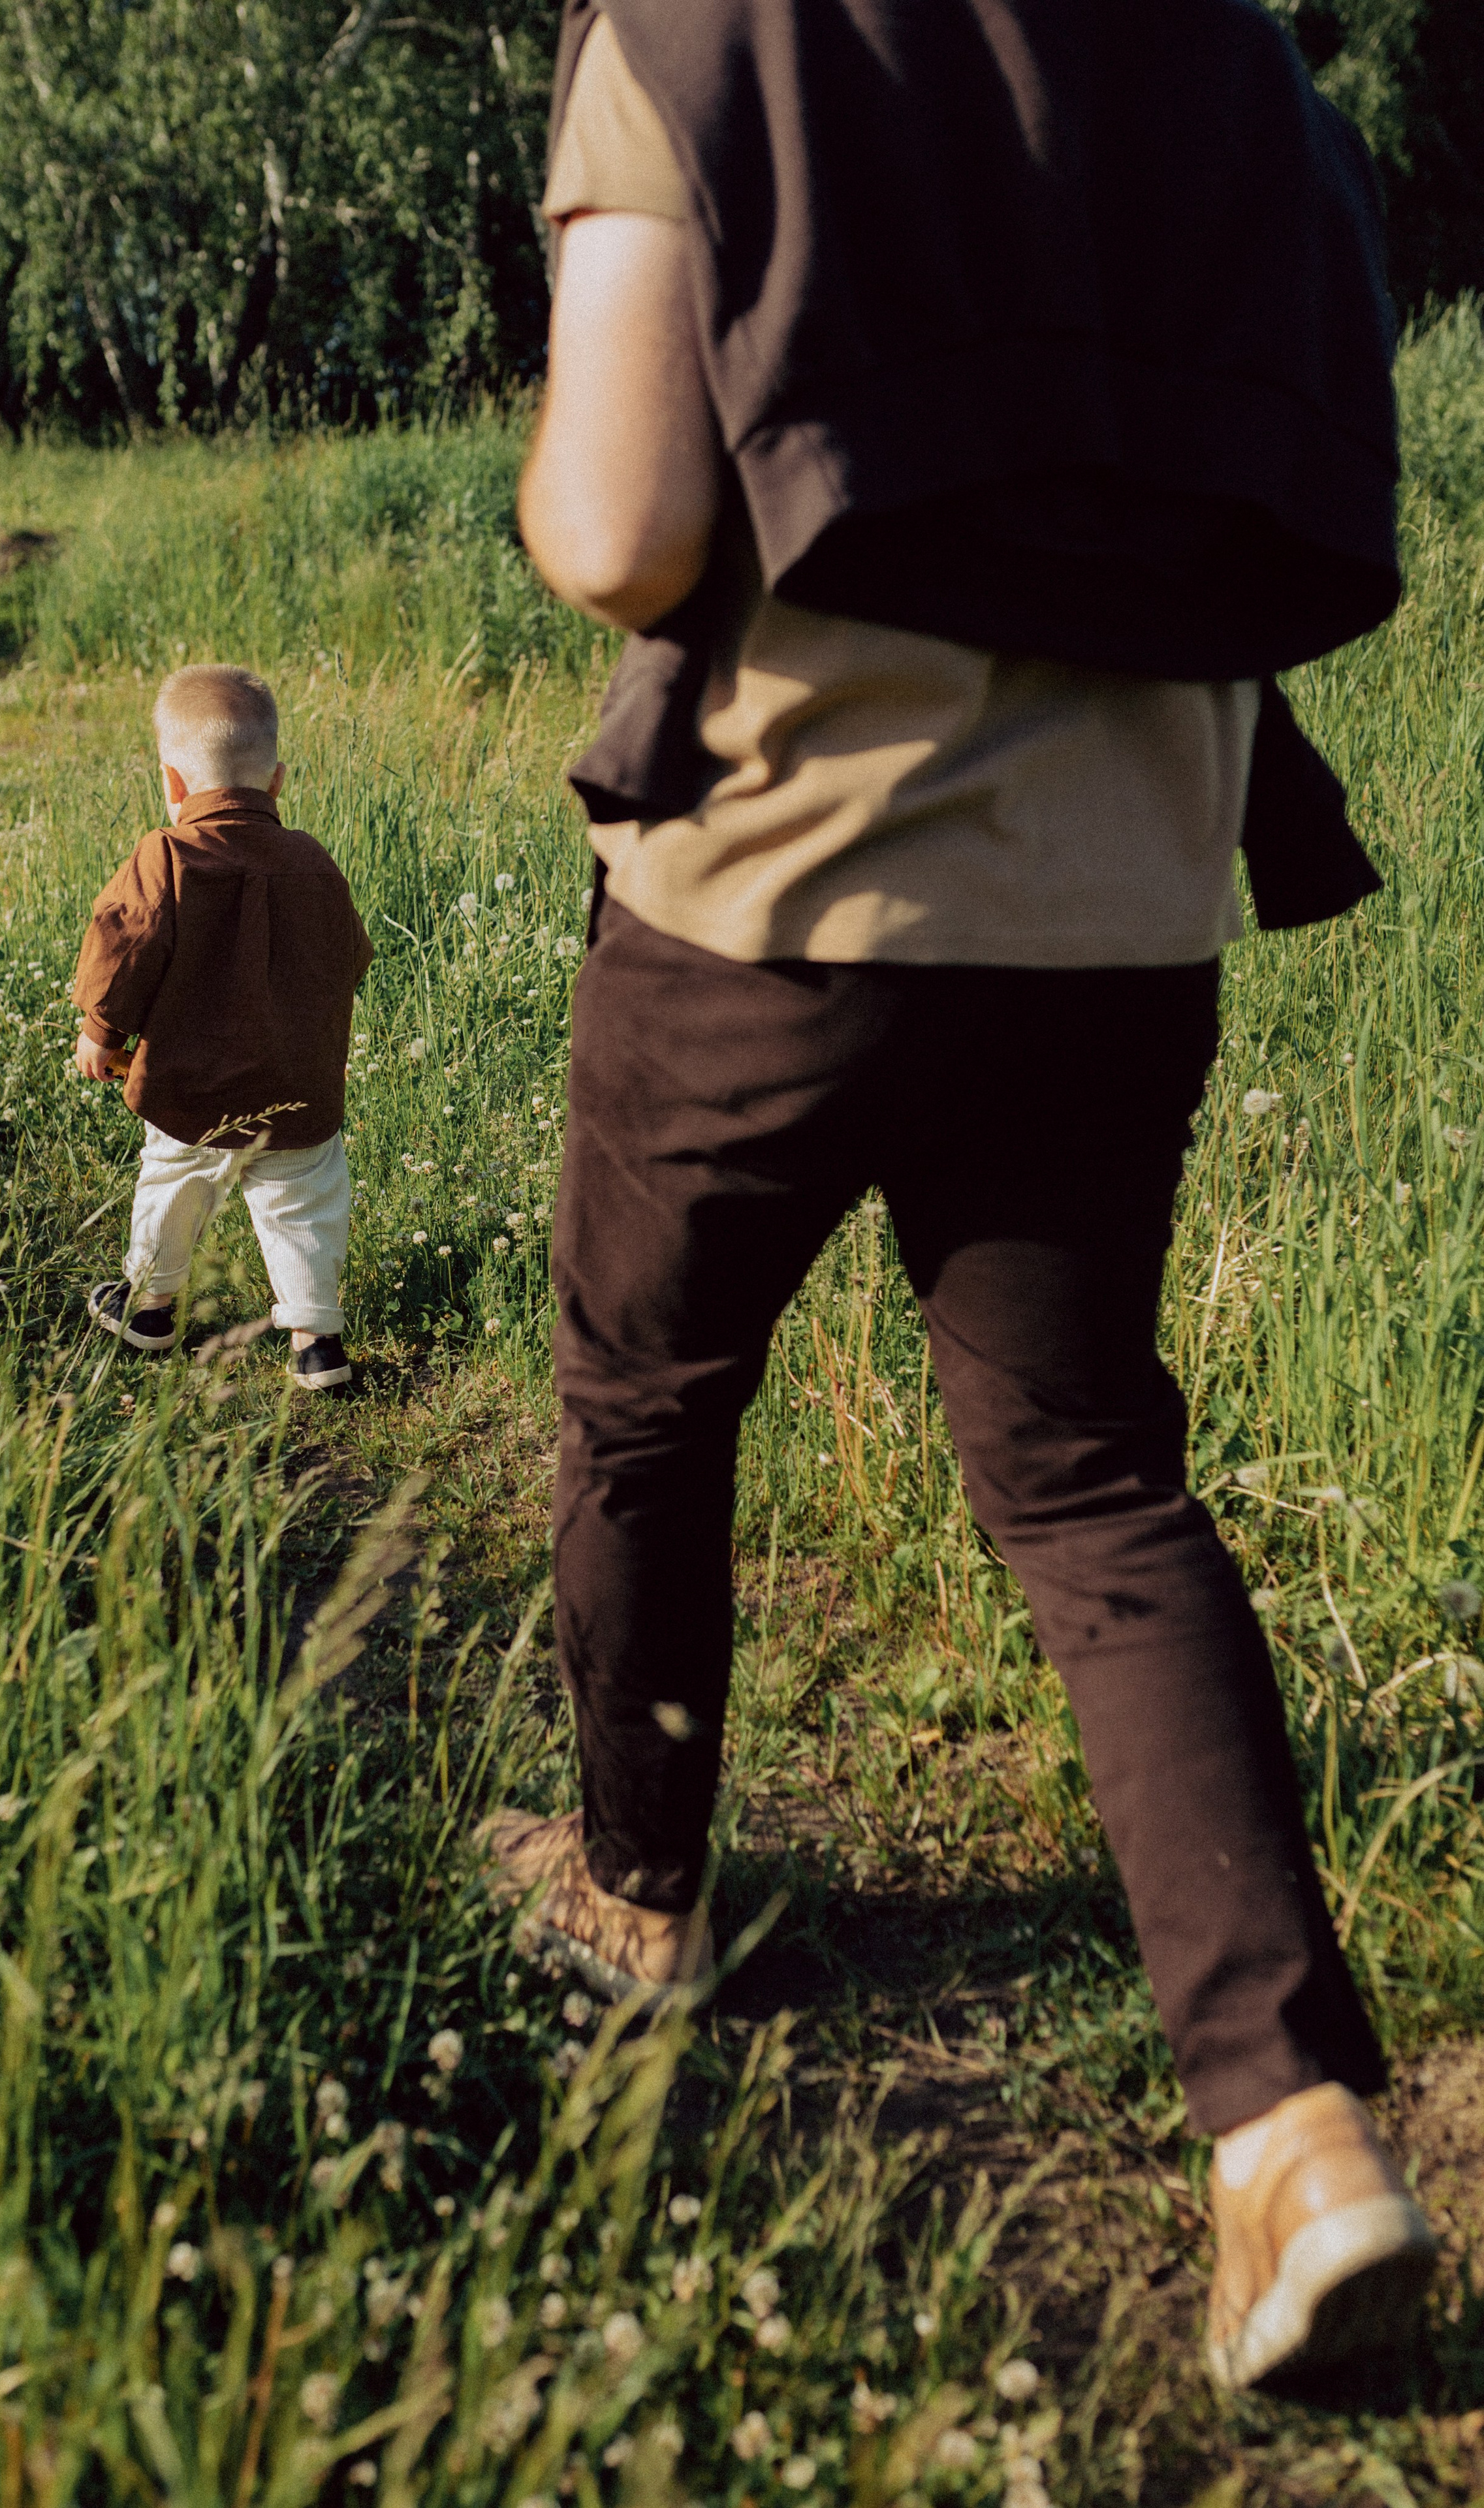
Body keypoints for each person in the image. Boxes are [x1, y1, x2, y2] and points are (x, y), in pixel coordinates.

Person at [483, 0, 1438, 2392]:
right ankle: (1294, 2133)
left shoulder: (703, 27)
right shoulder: (1221, 54)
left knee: (645, 1398)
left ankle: (636, 1889)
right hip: (1122, 901)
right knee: (1090, 1474)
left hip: (770, 901)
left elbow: (617, 533)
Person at [71, 664, 373, 1390]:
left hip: (191, 1088)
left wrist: (101, 1032)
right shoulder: (314, 863)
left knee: (173, 1184)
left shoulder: (166, 855)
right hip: (296, 1087)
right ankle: (316, 1342)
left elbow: (124, 945)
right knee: (304, 1204)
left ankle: (152, 1309)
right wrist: (324, 1048)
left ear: (172, 783)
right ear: (277, 782)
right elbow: (346, 961)